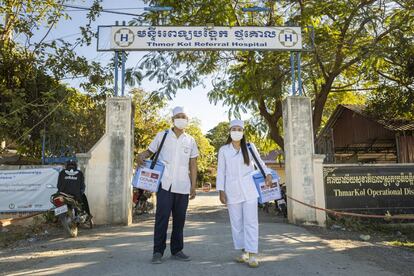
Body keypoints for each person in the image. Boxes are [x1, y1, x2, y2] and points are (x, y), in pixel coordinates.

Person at [137, 106, 199, 264]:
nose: (181, 119)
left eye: (184, 116)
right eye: (178, 116)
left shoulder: (190, 140)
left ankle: (177, 250)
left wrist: (193, 185)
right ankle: (158, 251)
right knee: (162, 218)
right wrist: (141, 155)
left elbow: (193, 164)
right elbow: (148, 152)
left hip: (183, 186)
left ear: (187, 120)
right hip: (164, 184)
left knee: (180, 220)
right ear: (173, 119)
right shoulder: (162, 135)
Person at [216, 119, 272, 268]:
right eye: (233, 129)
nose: (236, 131)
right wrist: (221, 191)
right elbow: (221, 171)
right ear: (229, 132)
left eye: (239, 129)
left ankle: (253, 254)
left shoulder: (249, 147)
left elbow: (260, 162)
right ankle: (244, 252)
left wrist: (267, 174)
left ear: (243, 132)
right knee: (236, 223)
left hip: (249, 190)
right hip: (231, 190)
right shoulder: (224, 150)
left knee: (251, 222)